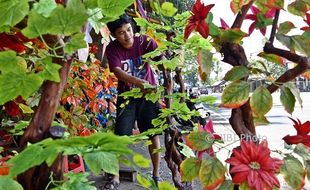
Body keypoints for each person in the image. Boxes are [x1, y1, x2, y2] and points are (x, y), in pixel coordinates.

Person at [102, 14, 161, 190]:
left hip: (149, 98)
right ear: (114, 35)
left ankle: (156, 175)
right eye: (121, 32)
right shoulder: (112, 49)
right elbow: (118, 72)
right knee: (120, 137)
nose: (127, 35)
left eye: (129, 29)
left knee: (153, 134)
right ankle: (115, 177)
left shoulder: (145, 42)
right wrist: (140, 82)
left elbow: (162, 59)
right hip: (126, 97)